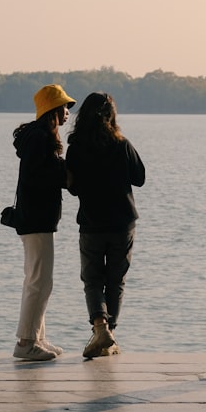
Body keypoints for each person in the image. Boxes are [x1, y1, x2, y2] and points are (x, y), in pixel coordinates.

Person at [66, 92, 146, 358]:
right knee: (115, 282)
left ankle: (101, 329)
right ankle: (107, 334)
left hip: (92, 223)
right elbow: (140, 177)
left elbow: (73, 189)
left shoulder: (76, 146)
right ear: (111, 116)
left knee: (92, 280)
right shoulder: (121, 143)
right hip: (123, 223)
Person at [11, 83, 75, 361]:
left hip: (34, 217)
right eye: (64, 108)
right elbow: (42, 177)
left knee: (38, 280)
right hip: (37, 218)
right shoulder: (41, 140)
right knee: (40, 281)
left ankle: (37, 337)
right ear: (53, 109)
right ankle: (26, 342)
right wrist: (66, 170)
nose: (68, 113)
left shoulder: (37, 137)